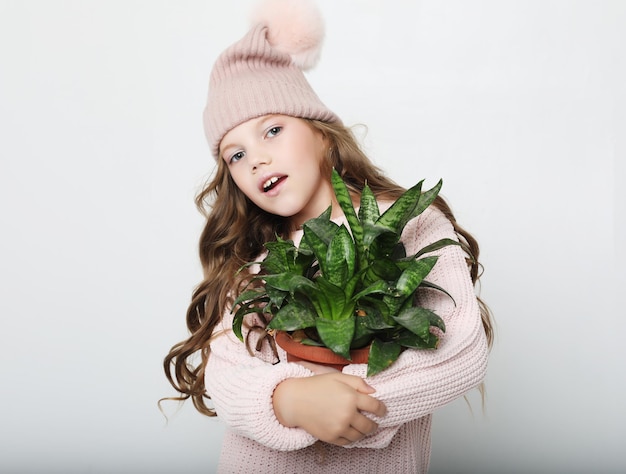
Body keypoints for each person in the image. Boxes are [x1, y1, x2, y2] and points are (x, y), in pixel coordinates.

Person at [163, 0, 494, 472]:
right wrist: (287, 401)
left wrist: (352, 401)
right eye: (235, 155)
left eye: (272, 130)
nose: (255, 159)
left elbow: (458, 346)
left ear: (322, 133)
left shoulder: (408, 225)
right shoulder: (253, 256)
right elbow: (226, 366)